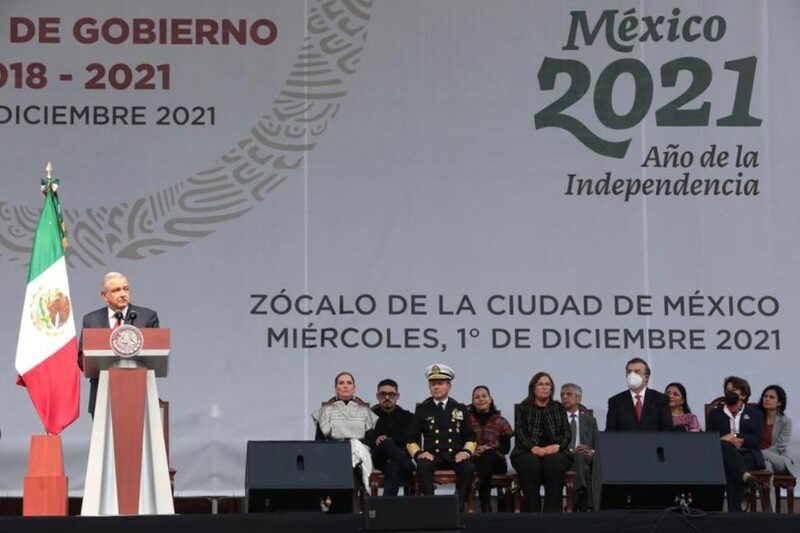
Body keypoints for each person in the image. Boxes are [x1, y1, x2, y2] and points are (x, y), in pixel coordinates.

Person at [79, 272, 159, 417]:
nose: (123, 294)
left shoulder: (147, 317)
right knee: (105, 439)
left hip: (137, 390)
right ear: (104, 295)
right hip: (102, 392)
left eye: (125, 289)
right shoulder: (91, 320)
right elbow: (81, 358)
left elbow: (155, 353)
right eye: (116, 290)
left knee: (136, 439)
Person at [406, 364, 476, 511]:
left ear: (449, 386)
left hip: (455, 455)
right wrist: (419, 453)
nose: (436, 387)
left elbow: (471, 437)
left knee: (469, 467)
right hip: (433, 456)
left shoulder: (460, 408)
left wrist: (466, 452)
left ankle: (458, 508)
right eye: (432, 384)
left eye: (440, 383)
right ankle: (431, 506)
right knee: (422, 465)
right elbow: (411, 439)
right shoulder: (422, 409)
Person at [511, 372, 572, 513]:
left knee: (554, 463)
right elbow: (520, 433)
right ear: (533, 388)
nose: (544, 387)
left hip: (556, 451)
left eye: (547, 384)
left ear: (552, 388)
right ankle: (533, 513)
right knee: (531, 463)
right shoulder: (523, 408)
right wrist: (533, 447)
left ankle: (551, 514)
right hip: (526, 451)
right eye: (540, 384)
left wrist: (556, 446)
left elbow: (567, 434)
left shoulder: (558, 407)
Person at [706, 376, 764, 512]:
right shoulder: (715, 414)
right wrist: (725, 439)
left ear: (743, 395)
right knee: (727, 450)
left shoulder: (755, 414)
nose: (728, 393)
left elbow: (757, 441)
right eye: (727, 390)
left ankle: (734, 514)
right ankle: (745, 478)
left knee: (730, 466)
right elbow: (708, 440)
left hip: (747, 455)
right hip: (723, 455)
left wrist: (738, 438)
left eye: (733, 390)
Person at [312, 371, 377, 489]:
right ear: (336, 388)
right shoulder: (325, 412)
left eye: (349, 383)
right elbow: (319, 441)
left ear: (354, 388)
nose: (345, 386)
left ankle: (354, 505)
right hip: (332, 455)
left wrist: (354, 449)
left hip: (358, 456)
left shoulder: (365, 412)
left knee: (354, 467)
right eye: (341, 383)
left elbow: (369, 441)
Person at [468, 385, 513, 512]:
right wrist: (473, 450)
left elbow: (506, 449)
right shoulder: (466, 420)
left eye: (484, 396)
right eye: (477, 397)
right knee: (485, 467)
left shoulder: (500, 421)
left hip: (497, 461)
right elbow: (459, 443)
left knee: (487, 456)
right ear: (473, 402)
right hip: (474, 459)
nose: (481, 399)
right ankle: (485, 506)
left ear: (490, 399)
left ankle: (476, 484)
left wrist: (489, 447)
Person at [371, 378, 415, 496]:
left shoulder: (408, 417)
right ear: (377, 396)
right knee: (385, 442)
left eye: (391, 394)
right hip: (377, 459)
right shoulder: (369, 416)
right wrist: (377, 440)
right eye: (383, 394)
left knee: (393, 468)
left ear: (397, 396)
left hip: (398, 459)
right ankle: (411, 468)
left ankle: (386, 508)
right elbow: (364, 442)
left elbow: (412, 443)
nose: (387, 397)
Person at [758, 384, 798, 509]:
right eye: (765, 396)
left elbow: (779, 447)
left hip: (780, 460)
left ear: (779, 402)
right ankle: (771, 512)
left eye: (771, 397)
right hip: (763, 461)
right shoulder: (756, 418)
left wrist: (757, 454)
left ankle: (756, 456)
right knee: (766, 467)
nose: (767, 399)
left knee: (763, 460)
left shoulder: (786, 421)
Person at [560, 383, 599, 511]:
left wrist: (591, 452)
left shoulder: (590, 420)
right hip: (563, 457)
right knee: (582, 464)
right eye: (562, 395)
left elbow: (597, 444)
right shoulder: (557, 419)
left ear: (578, 398)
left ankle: (574, 502)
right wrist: (571, 450)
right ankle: (581, 499)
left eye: (568, 394)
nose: (564, 397)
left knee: (582, 458)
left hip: (585, 457)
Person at [605, 357, 672, 431]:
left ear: (646, 377)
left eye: (637, 372)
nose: (632, 375)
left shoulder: (661, 399)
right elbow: (610, 431)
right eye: (629, 372)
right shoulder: (615, 401)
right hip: (625, 442)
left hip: (654, 442)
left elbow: (667, 429)